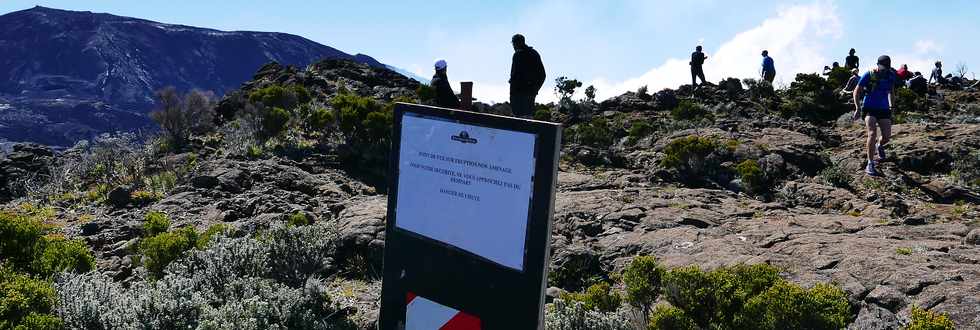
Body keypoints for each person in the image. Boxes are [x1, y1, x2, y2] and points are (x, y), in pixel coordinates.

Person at [852, 55, 897, 176]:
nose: (884, 70)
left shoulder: (890, 75)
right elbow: (856, 90)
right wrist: (857, 107)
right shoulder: (869, 74)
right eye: (883, 67)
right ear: (878, 65)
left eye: (887, 68)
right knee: (872, 133)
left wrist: (892, 107)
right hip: (869, 108)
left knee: (887, 137)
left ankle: (879, 145)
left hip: (883, 108)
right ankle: (870, 163)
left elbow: (891, 92)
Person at [509, 34, 546, 118]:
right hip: (526, 95)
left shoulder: (518, 56)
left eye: (514, 44)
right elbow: (542, 75)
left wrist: (534, 90)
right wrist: (534, 90)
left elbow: (514, 76)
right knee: (527, 122)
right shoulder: (533, 54)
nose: (513, 46)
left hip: (520, 96)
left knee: (520, 122)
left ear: (517, 43)